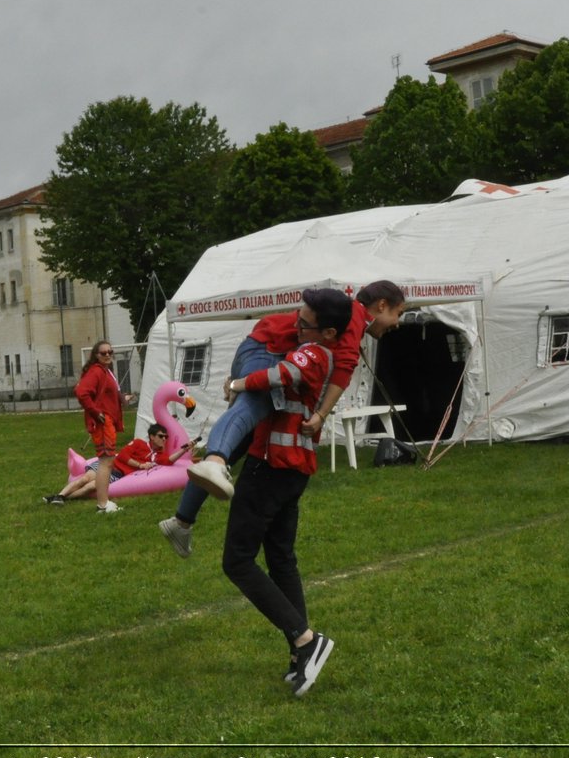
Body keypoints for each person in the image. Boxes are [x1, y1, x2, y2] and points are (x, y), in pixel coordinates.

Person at [160, 280, 408, 557]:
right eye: (397, 314)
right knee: (249, 410)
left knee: (241, 436)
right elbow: (343, 371)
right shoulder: (353, 316)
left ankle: (182, 520)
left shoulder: (348, 315)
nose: (396, 323)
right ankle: (215, 461)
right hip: (267, 349)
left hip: (259, 344)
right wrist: (321, 415)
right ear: (382, 306)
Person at [220, 287, 352, 697]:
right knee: (280, 559)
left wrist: (238, 382)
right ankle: (301, 656)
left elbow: (283, 375)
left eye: (305, 322)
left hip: (272, 467)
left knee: (237, 561)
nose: (296, 325)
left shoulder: (313, 353)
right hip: (288, 468)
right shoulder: (313, 346)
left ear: (328, 332)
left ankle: (305, 639)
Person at [44, 424, 185, 504]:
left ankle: (62, 498)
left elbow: (168, 461)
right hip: (110, 465)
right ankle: (60, 495)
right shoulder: (138, 443)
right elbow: (123, 455)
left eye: (166, 437)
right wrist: (140, 465)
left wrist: (184, 450)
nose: (164, 439)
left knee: (92, 486)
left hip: (118, 474)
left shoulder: (158, 456)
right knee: (85, 479)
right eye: (161, 436)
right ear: (152, 437)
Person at [73, 340, 135, 513]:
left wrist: (123, 399)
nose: (108, 355)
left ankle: (103, 502)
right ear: (96, 355)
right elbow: (81, 392)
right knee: (106, 462)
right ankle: (103, 504)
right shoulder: (97, 371)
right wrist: (95, 412)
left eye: (110, 352)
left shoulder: (105, 372)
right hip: (103, 422)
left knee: (106, 462)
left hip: (106, 421)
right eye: (103, 353)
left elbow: (108, 394)